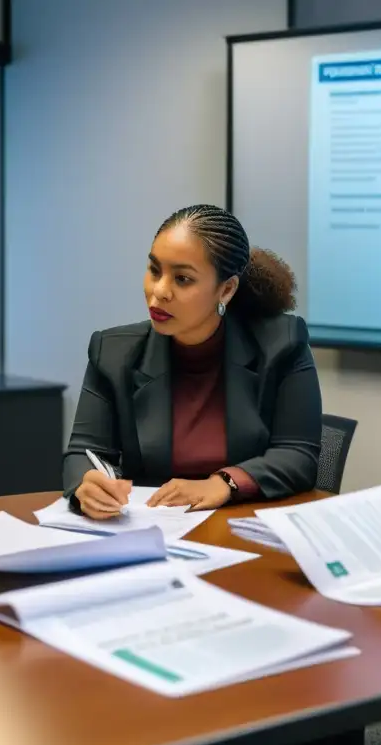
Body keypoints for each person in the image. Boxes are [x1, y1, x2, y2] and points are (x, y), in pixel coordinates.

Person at [63, 204, 322, 517]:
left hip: (244, 522)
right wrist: (86, 485)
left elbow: (298, 454)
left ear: (226, 290)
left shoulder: (282, 344)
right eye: (155, 271)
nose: (159, 292)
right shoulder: (113, 353)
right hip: (153, 527)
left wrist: (225, 482)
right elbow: (84, 452)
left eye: (182, 279)